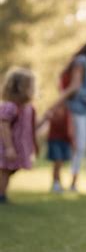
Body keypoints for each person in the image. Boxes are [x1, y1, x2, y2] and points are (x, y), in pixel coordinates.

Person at [48, 39, 86, 192]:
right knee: (80, 146)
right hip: (78, 109)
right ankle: (74, 183)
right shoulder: (81, 61)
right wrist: (56, 103)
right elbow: (74, 86)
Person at [0, 69, 39, 203]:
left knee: (10, 169)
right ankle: (1, 195)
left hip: (19, 146)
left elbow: (31, 128)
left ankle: (2, 193)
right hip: (8, 144)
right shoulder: (10, 107)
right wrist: (9, 147)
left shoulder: (27, 108)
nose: (33, 90)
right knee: (5, 170)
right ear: (20, 88)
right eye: (31, 87)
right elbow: (3, 126)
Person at [46, 103, 74, 193]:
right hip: (55, 141)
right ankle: (56, 184)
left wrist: (72, 141)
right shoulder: (53, 114)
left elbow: (70, 129)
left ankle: (58, 183)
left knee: (60, 164)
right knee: (57, 162)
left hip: (65, 141)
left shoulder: (68, 113)